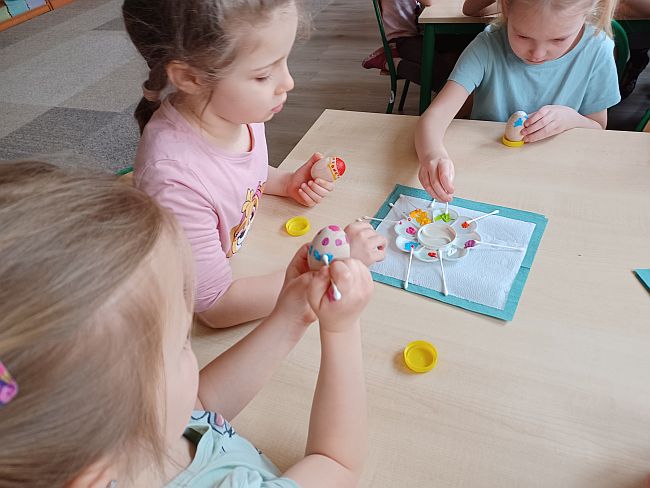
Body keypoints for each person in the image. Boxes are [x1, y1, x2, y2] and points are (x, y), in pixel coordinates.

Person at [0, 160, 373, 488]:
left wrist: (290, 316)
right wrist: (341, 329)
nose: (190, 348)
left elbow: (197, 407)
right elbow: (336, 463)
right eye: (182, 342)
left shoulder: (134, 442)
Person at [123, 0, 386, 328]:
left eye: (285, 60)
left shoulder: (237, 112)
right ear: (191, 78)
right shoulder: (173, 180)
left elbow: (236, 176)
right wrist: (335, 266)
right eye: (263, 75)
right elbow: (216, 307)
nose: (288, 82)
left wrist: (285, 182)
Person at [415, 0, 621, 202]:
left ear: (586, 14)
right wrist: (432, 154)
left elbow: (598, 126)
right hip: (487, 172)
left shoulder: (597, 50)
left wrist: (571, 119)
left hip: (555, 179)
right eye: (522, 36)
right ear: (506, 8)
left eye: (559, 39)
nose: (537, 54)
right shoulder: (488, 45)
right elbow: (435, 116)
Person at [363, 0, 475, 92]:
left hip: (422, 34)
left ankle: (461, 97)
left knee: (469, 41)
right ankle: (390, 62)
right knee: (437, 71)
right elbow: (429, 1)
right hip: (402, 39)